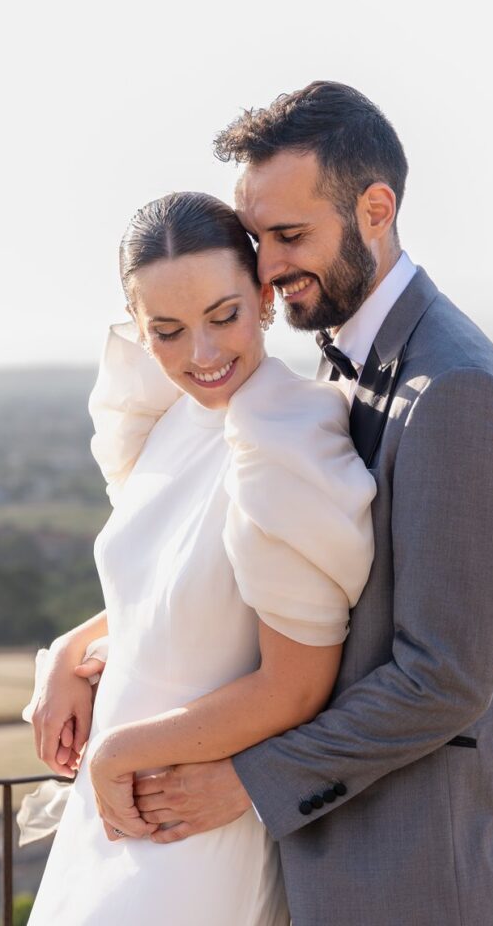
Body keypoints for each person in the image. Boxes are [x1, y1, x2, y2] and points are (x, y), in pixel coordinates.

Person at [35, 82, 493, 925]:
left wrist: (250, 782)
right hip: (298, 842)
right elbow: (229, 583)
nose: (270, 266)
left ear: (375, 208)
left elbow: (444, 678)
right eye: (259, 238)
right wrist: (77, 648)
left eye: (291, 236)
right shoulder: (320, 358)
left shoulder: (456, 390)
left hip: (407, 853)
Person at [24, 191, 377, 925]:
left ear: (262, 297)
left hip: (190, 835)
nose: (203, 356)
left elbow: (296, 685)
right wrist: (73, 647)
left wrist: (119, 753)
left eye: (224, 317)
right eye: (169, 331)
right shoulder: (175, 420)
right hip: (115, 816)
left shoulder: (285, 437)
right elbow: (180, 591)